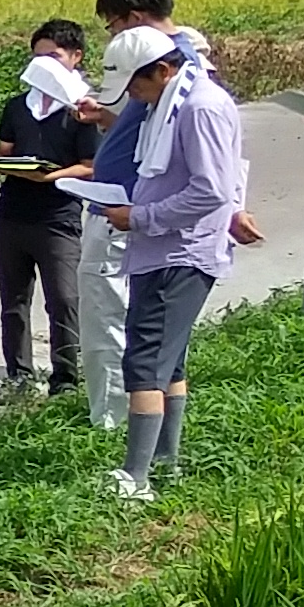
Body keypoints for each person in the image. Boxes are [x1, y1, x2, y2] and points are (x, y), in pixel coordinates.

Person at [64, 0, 211, 429]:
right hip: (129, 210)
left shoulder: (171, 70)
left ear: (135, 18)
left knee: (111, 318)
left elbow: (203, 170)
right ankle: (137, 423)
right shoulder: (174, 68)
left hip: (129, 213)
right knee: (137, 322)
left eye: (112, 26)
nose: (113, 35)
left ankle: (112, 422)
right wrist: (109, 118)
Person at [105, 26, 247, 501]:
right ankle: (165, 464)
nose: (135, 99)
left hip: (178, 252)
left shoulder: (200, 106)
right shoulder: (172, 103)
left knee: (144, 360)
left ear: (164, 71)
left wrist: (141, 217)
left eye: (138, 87)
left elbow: (212, 190)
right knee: (170, 360)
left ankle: (134, 479)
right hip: (161, 250)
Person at [0, 20, 99, 405]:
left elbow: (91, 165)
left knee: (63, 298)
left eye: (53, 57)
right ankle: (17, 375)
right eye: (38, 58)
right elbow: (4, 151)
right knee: (13, 301)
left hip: (58, 216)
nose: (44, 66)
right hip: (12, 212)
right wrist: (9, 166)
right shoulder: (20, 106)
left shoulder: (83, 110)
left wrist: (51, 177)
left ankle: (66, 377)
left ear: (75, 58)